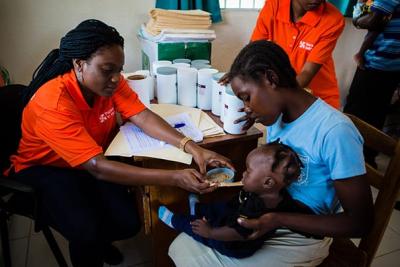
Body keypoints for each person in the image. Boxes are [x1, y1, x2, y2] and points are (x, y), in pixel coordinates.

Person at [6, 19, 232, 267]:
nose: (116, 78)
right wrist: (174, 177)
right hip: (45, 167)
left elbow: (142, 116)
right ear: (79, 65)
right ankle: (93, 246)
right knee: (85, 231)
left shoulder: (109, 84)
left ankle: (99, 241)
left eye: (118, 70)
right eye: (107, 70)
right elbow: (98, 167)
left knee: (127, 222)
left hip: (88, 159)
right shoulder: (54, 102)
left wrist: (192, 147)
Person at [168, 40, 374, 266]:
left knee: (191, 255)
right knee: (181, 247)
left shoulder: (335, 132)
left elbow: (360, 223)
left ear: (271, 79)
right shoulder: (279, 116)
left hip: (302, 236)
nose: (246, 107)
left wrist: (276, 219)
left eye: (247, 97)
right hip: (268, 214)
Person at [159, 141, 317, 259]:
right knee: (220, 207)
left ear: (268, 183)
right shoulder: (277, 194)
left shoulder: (255, 210)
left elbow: (236, 233)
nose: (243, 174)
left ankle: (176, 221)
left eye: (248, 171)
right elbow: (303, 215)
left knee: (200, 231)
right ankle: (198, 209)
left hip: (233, 243)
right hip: (235, 211)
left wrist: (211, 232)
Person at [250, 0, 345, 109]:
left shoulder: (333, 19)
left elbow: (307, 72)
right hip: (284, 91)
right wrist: (239, 73)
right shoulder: (274, 5)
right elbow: (254, 49)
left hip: (319, 98)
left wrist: (275, 99)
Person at [344, 0, 400, 167]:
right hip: (395, 65)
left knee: (356, 112)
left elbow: (374, 22)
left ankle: (349, 157)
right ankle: (367, 159)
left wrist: (356, 19)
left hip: (377, 63)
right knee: (378, 112)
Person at [352, 0, 390, 69]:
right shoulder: (369, 2)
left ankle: (360, 54)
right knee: (377, 27)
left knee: (376, 28)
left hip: (366, 11)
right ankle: (360, 54)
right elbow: (366, 9)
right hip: (361, 13)